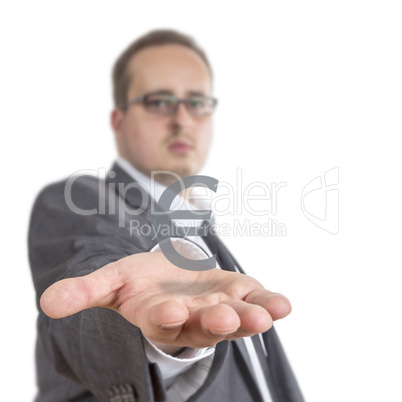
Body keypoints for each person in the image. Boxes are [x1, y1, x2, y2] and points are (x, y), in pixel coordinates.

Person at [29, 29, 304, 402]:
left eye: (197, 103)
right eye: (159, 102)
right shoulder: (82, 198)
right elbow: (94, 273)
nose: (182, 119)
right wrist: (158, 335)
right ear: (118, 122)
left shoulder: (206, 235)